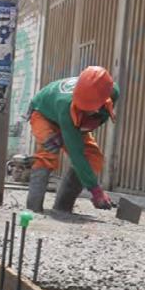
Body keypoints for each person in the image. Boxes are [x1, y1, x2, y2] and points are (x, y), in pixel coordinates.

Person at [24, 66, 119, 213]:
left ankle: (63, 207)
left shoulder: (112, 91)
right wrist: (96, 191)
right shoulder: (65, 104)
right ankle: (33, 207)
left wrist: (88, 122)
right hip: (44, 114)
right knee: (49, 152)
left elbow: (102, 115)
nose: (87, 109)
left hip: (74, 120)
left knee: (92, 157)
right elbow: (77, 155)